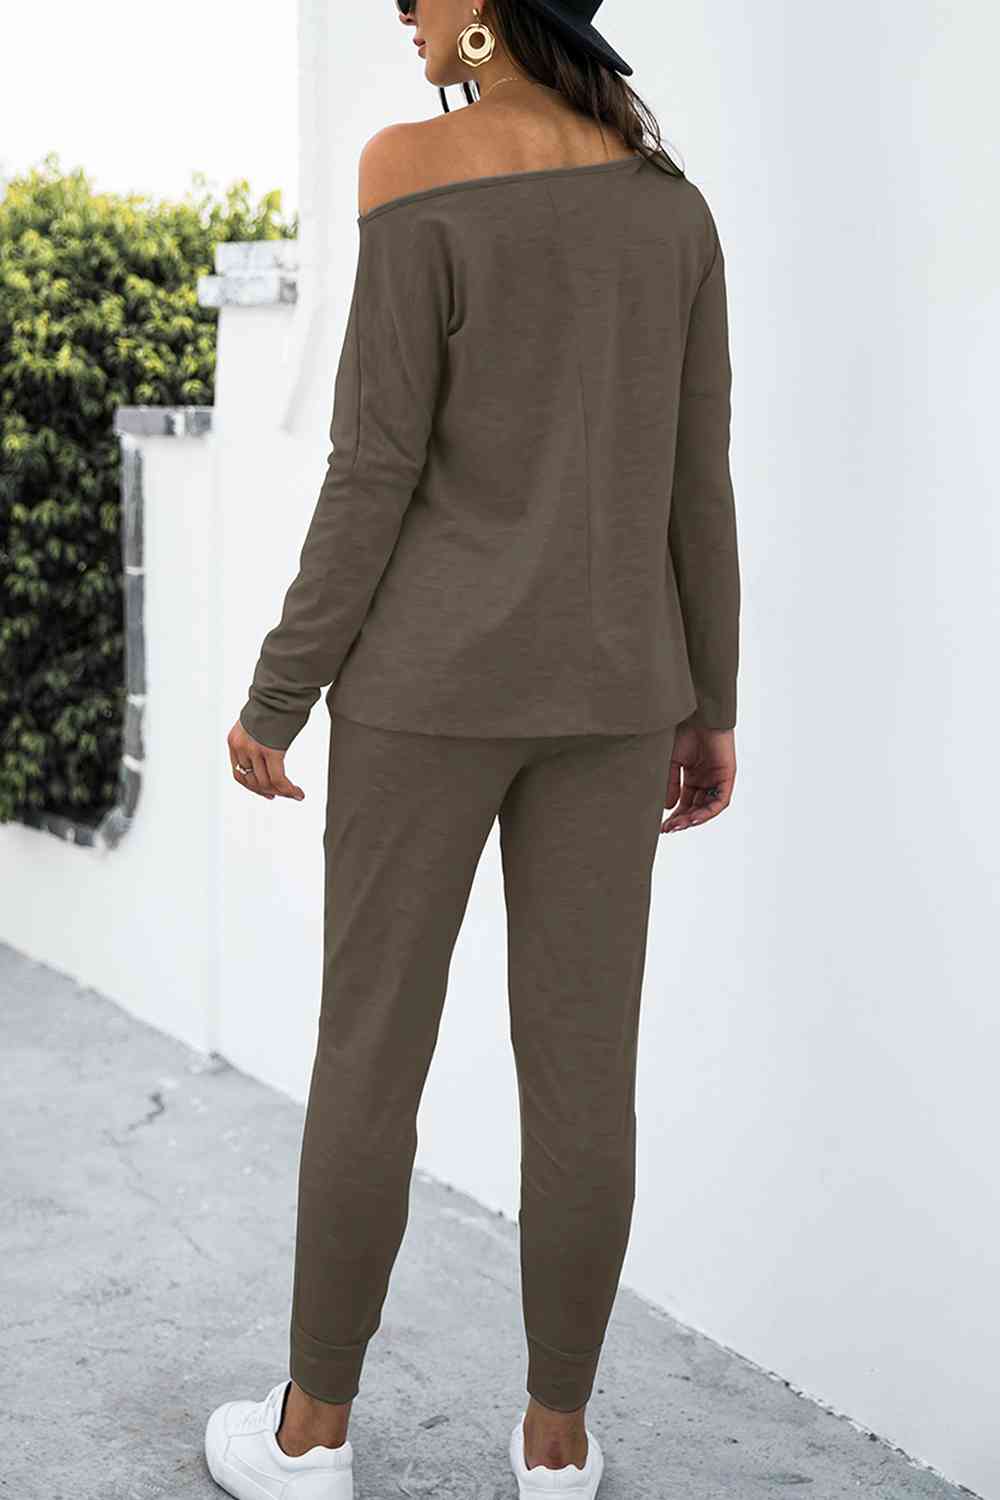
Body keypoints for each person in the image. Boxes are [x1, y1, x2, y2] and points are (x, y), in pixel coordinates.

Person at [204, 1, 740, 1496]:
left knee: (370, 1056)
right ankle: (556, 1448)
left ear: (491, 8)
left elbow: (375, 464)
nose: (404, 10)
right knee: (585, 1076)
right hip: (618, 698)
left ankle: (311, 1437)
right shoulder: (673, 208)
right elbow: (698, 478)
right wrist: (712, 700)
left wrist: (278, 693)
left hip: (425, 695)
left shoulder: (410, 169)